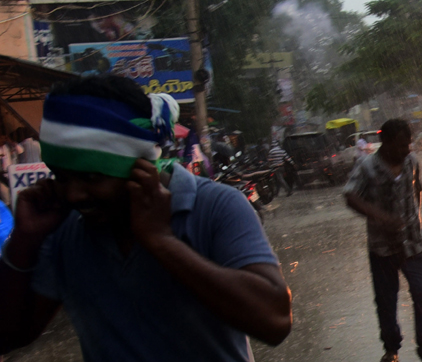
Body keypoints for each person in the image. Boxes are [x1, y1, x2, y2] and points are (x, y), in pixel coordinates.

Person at [0, 75, 292, 360]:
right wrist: (24, 241)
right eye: (62, 177)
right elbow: (9, 335)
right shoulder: (64, 228)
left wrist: (162, 241)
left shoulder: (216, 206)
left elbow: (275, 322)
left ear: (140, 167)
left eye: (91, 177)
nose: (74, 194)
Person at [344, 119, 422, 362]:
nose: (405, 150)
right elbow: (350, 195)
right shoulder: (367, 166)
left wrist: (414, 219)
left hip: (414, 244)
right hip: (382, 248)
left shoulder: (412, 162)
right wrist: (380, 217)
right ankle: (391, 349)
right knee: (386, 301)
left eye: (407, 144)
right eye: (399, 145)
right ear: (384, 143)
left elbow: (417, 190)